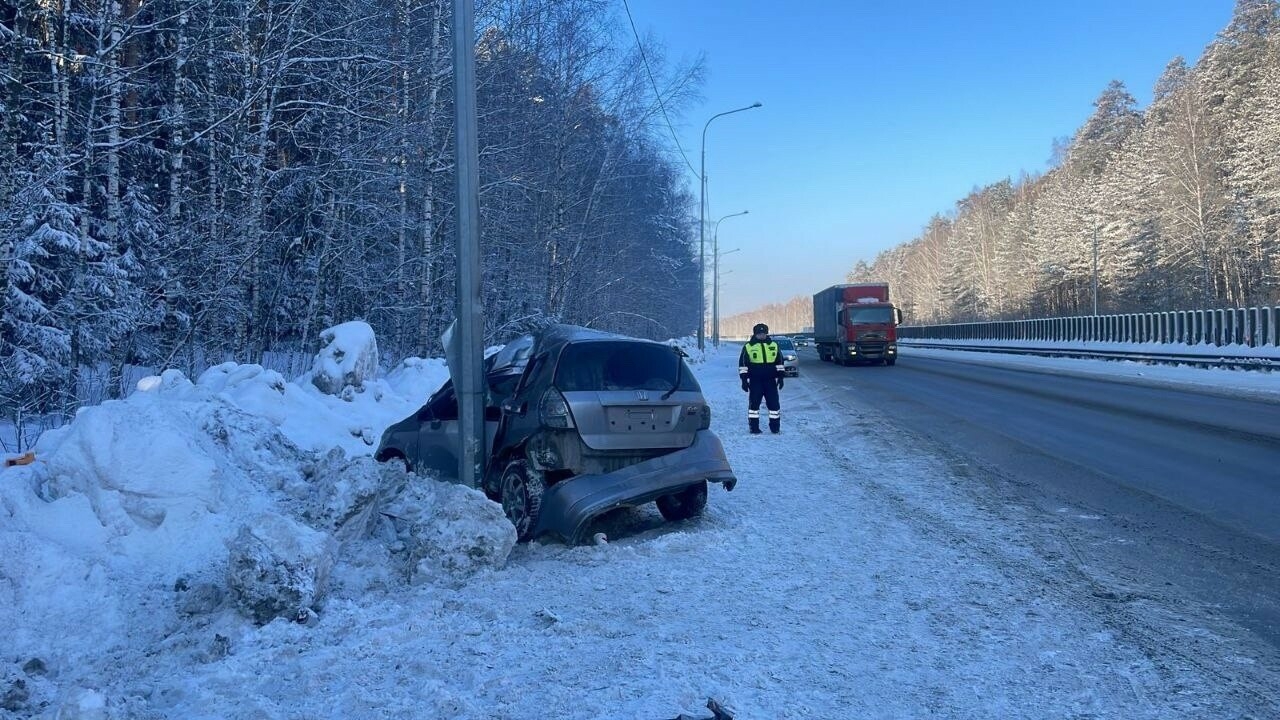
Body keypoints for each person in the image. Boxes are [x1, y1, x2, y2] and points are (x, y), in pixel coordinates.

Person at [738, 322, 785, 434]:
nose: (761, 335)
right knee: (754, 406)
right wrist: (744, 380)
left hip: (770, 381)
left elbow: (780, 362)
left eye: (763, 333)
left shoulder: (773, 345)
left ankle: (775, 428)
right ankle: (754, 428)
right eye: (759, 334)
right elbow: (743, 365)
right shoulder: (748, 347)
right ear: (755, 334)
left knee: (774, 405)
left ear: (767, 334)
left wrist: (781, 377)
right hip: (755, 381)